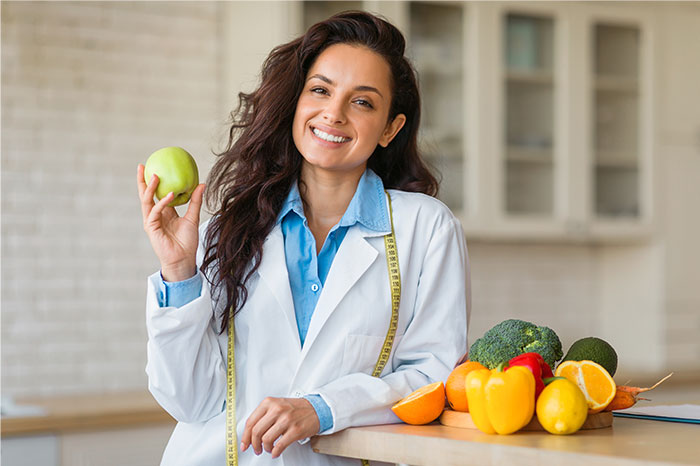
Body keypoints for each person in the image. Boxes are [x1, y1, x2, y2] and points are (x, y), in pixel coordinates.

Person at [137, 10, 470, 466]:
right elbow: (188, 401)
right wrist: (178, 271)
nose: (333, 113)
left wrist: (322, 408)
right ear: (297, 102)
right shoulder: (233, 226)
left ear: (391, 128)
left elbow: (434, 378)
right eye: (320, 90)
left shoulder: (426, 228)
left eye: (363, 102)